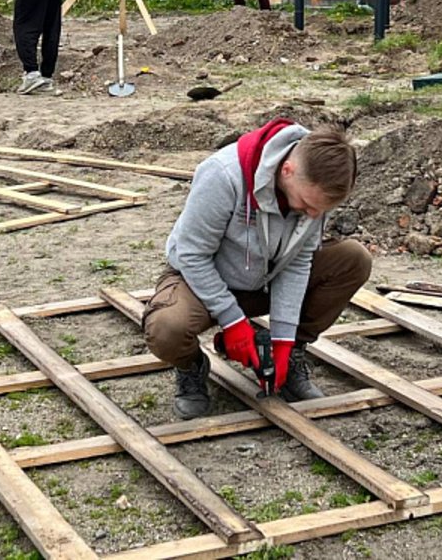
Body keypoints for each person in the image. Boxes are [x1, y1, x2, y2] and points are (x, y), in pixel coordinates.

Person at [143, 121, 369, 419]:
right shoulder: (223, 175)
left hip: (265, 280)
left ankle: (286, 362)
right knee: (166, 328)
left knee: (353, 259)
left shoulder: (313, 187)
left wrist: (285, 340)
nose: (314, 215)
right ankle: (191, 367)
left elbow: (298, 262)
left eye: (321, 211)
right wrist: (233, 322)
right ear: (287, 170)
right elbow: (192, 255)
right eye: (307, 204)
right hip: (205, 278)